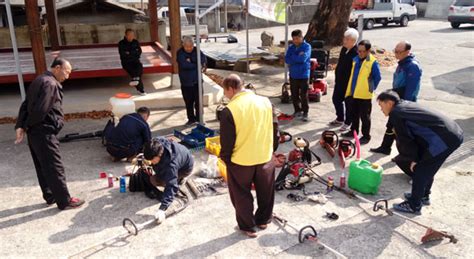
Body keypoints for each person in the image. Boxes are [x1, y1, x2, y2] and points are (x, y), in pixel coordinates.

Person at [376, 90, 463, 214]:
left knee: (421, 169)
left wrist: (414, 159)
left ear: (389, 103)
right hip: (452, 133)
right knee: (427, 167)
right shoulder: (404, 105)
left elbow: (407, 140)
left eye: (381, 105)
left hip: (444, 139)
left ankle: (414, 205)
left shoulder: (396, 113)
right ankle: (423, 196)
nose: (380, 109)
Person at [14, 58, 85, 210]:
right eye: (66, 72)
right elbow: (40, 110)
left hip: (34, 132)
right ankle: (64, 200)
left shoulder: (39, 79)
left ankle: (50, 195)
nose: (67, 76)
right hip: (43, 131)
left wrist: (21, 125)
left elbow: (26, 104)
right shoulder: (50, 84)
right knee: (54, 166)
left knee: (42, 165)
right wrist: (25, 125)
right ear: (57, 68)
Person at [219, 74, 275, 238]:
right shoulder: (265, 101)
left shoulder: (230, 110)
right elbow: (275, 127)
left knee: (241, 194)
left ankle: (248, 226)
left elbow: (227, 140)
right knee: (266, 191)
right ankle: (263, 220)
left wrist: (226, 158)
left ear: (231, 88)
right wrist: (272, 149)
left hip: (241, 160)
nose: (225, 95)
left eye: (225, 91)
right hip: (264, 156)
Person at [370, 41, 422, 155]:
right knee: (391, 124)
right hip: (397, 98)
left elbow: (412, 88)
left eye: (399, 52)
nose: (396, 54)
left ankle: (407, 154)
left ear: (407, 52)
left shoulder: (412, 66)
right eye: (395, 51)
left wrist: (405, 104)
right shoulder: (402, 63)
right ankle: (385, 147)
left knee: (403, 130)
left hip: (404, 101)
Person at [144, 137, 194, 224]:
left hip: (185, 169)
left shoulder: (171, 165)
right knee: (156, 172)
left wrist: (162, 209)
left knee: (155, 180)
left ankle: (180, 179)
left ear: (158, 155)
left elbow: (171, 185)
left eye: (152, 159)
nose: (150, 161)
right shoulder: (157, 143)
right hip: (181, 159)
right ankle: (177, 178)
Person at [342, 40, 381, 144]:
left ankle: (366, 136)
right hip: (354, 93)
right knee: (354, 114)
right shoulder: (355, 60)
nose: (360, 53)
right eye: (358, 51)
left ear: (368, 51)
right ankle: (353, 131)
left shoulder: (372, 62)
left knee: (365, 117)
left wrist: (370, 88)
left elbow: (378, 77)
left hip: (365, 96)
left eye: (363, 51)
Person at [329, 28, 359, 131]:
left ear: (353, 40)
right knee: (336, 99)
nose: (344, 40)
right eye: (344, 38)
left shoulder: (356, 53)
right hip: (339, 81)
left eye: (347, 39)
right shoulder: (344, 49)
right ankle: (340, 117)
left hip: (348, 83)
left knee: (348, 103)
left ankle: (348, 122)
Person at [177, 36, 207, 125]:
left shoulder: (197, 50)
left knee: (199, 102)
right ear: (183, 45)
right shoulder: (180, 53)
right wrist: (196, 64)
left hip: (197, 81)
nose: (189, 48)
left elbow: (203, 59)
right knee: (189, 102)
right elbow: (184, 65)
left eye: (191, 46)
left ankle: (199, 118)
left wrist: (192, 61)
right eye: (187, 47)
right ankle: (191, 119)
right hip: (186, 82)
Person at [285, 29, 312, 122]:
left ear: (302, 37)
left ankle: (305, 112)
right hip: (293, 74)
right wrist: (297, 56)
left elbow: (303, 59)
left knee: (303, 95)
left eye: (297, 38)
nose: (295, 40)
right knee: (294, 94)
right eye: (294, 39)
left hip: (304, 74)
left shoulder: (307, 47)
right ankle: (297, 110)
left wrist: (293, 57)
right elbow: (287, 59)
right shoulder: (291, 47)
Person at [118, 29, 146, 95]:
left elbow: (139, 51)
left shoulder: (135, 42)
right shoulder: (121, 43)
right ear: (126, 35)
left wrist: (130, 53)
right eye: (129, 35)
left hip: (135, 61)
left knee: (139, 68)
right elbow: (123, 54)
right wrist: (133, 53)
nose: (131, 37)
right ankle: (141, 90)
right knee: (134, 72)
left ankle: (135, 80)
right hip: (126, 62)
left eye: (132, 35)